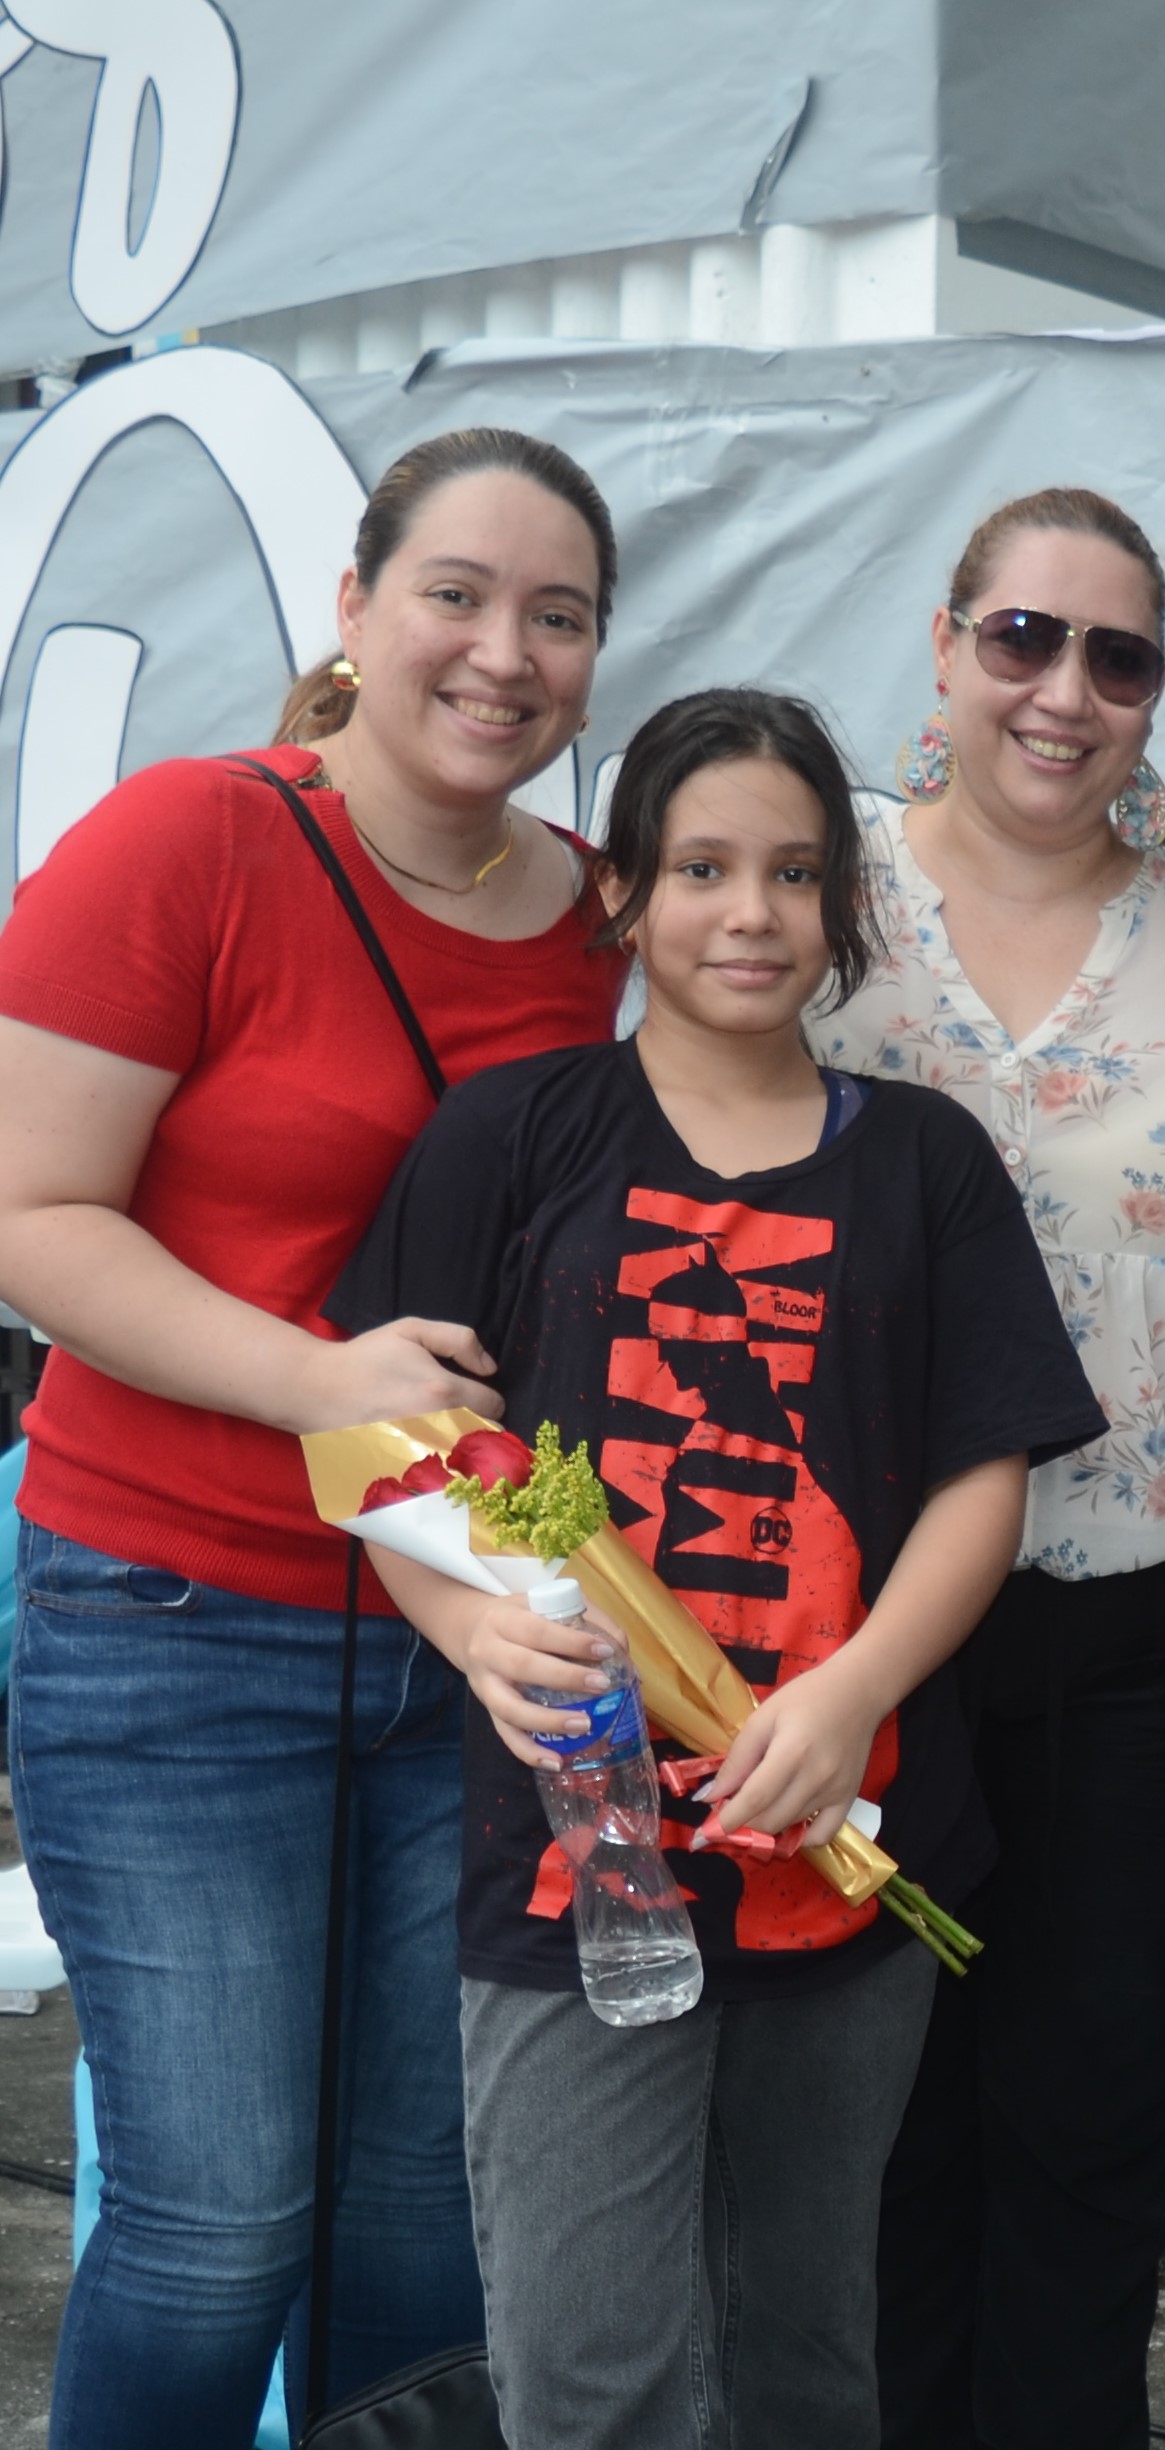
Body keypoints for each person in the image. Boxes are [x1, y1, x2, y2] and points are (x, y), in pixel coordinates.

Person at [326, 686, 1103, 2443]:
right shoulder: (514, 1135)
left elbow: (988, 1475)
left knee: (806, 2348)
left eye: (794, 872)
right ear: (624, 892)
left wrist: (853, 1688)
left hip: (846, 1844)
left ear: (841, 911)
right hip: (573, 1863)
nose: (748, 911)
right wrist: (466, 1634)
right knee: (588, 2363)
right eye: (699, 865)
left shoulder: (923, 1161)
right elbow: (381, 1441)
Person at [0, 428, 624, 2441]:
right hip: (168, 1622)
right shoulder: (189, 839)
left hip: (461, 1646)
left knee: (423, 2223)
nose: (502, 650)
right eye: (457, 591)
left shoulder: (599, 929)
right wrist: (316, 1377)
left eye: (559, 615)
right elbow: (27, 1214)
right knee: (213, 2221)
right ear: (354, 610)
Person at [825, 488, 1165, 2449]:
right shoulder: (809, 887)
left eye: (1119, 656)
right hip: (851, 1636)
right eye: (1022, 636)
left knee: (1093, 2142)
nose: (1065, 689)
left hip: (1149, 1642)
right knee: (886, 2135)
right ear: (944, 646)